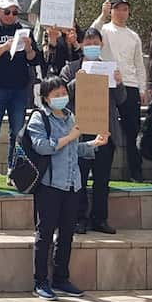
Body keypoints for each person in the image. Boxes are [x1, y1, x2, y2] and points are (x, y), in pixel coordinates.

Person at [29, 76, 108, 300]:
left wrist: (94, 144)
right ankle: (40, 281)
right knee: (45, 234)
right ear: (46, 98)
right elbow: (42, 147)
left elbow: (74, 149)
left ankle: (61, 278)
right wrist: (69, 136)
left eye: (64, 93)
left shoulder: (70, 116)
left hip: (73, 184)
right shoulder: (39, 117)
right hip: (50, 184)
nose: (62, 97)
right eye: (56, 95)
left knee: (66, 234)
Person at [60, 28, 124, 234]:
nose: (92, 47)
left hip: (104, 132)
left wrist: (119, 83)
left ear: (102, 44)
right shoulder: (70, 68)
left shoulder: (109, 68)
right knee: (78, 177)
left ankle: (100, 219)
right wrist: (76, 82)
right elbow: (60, 98)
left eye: (95, 43)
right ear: (81, 45)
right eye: (88, 44)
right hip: (80, 132)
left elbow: (121, 99)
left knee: (102, 179)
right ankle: (79, 218)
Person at [0, 0, 39, 190]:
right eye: (7, 12)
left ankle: (13, 173)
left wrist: (29, 47)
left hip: (19, 89)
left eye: (15, 12)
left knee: (17, 133)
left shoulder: (24, 31)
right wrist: (5, 47)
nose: (11, 15)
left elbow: (34, 60)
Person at [92, 0, 151, 182]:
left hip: (130, 85)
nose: (121, 12)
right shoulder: (104, 30)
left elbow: (139, 64)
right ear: (111, 11)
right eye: (117, 9)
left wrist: (142, 88)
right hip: (107, 83)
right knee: (102, 128)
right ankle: (101, 170)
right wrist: (102, 15)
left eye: (125, 9)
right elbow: (91, 34)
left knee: (132, 131)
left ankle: (135, 172)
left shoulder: (133, 36)